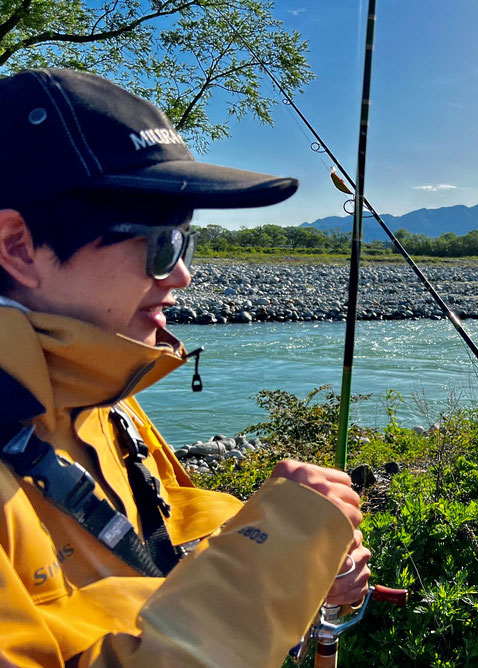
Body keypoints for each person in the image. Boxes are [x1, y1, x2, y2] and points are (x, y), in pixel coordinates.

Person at [0, 68, 371, 667]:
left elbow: (164, 540)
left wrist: (295, 564)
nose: (181, 275)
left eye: (185, 242)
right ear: (17, 246)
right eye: (159, 244)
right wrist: (268, 565)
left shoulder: (102, 396)